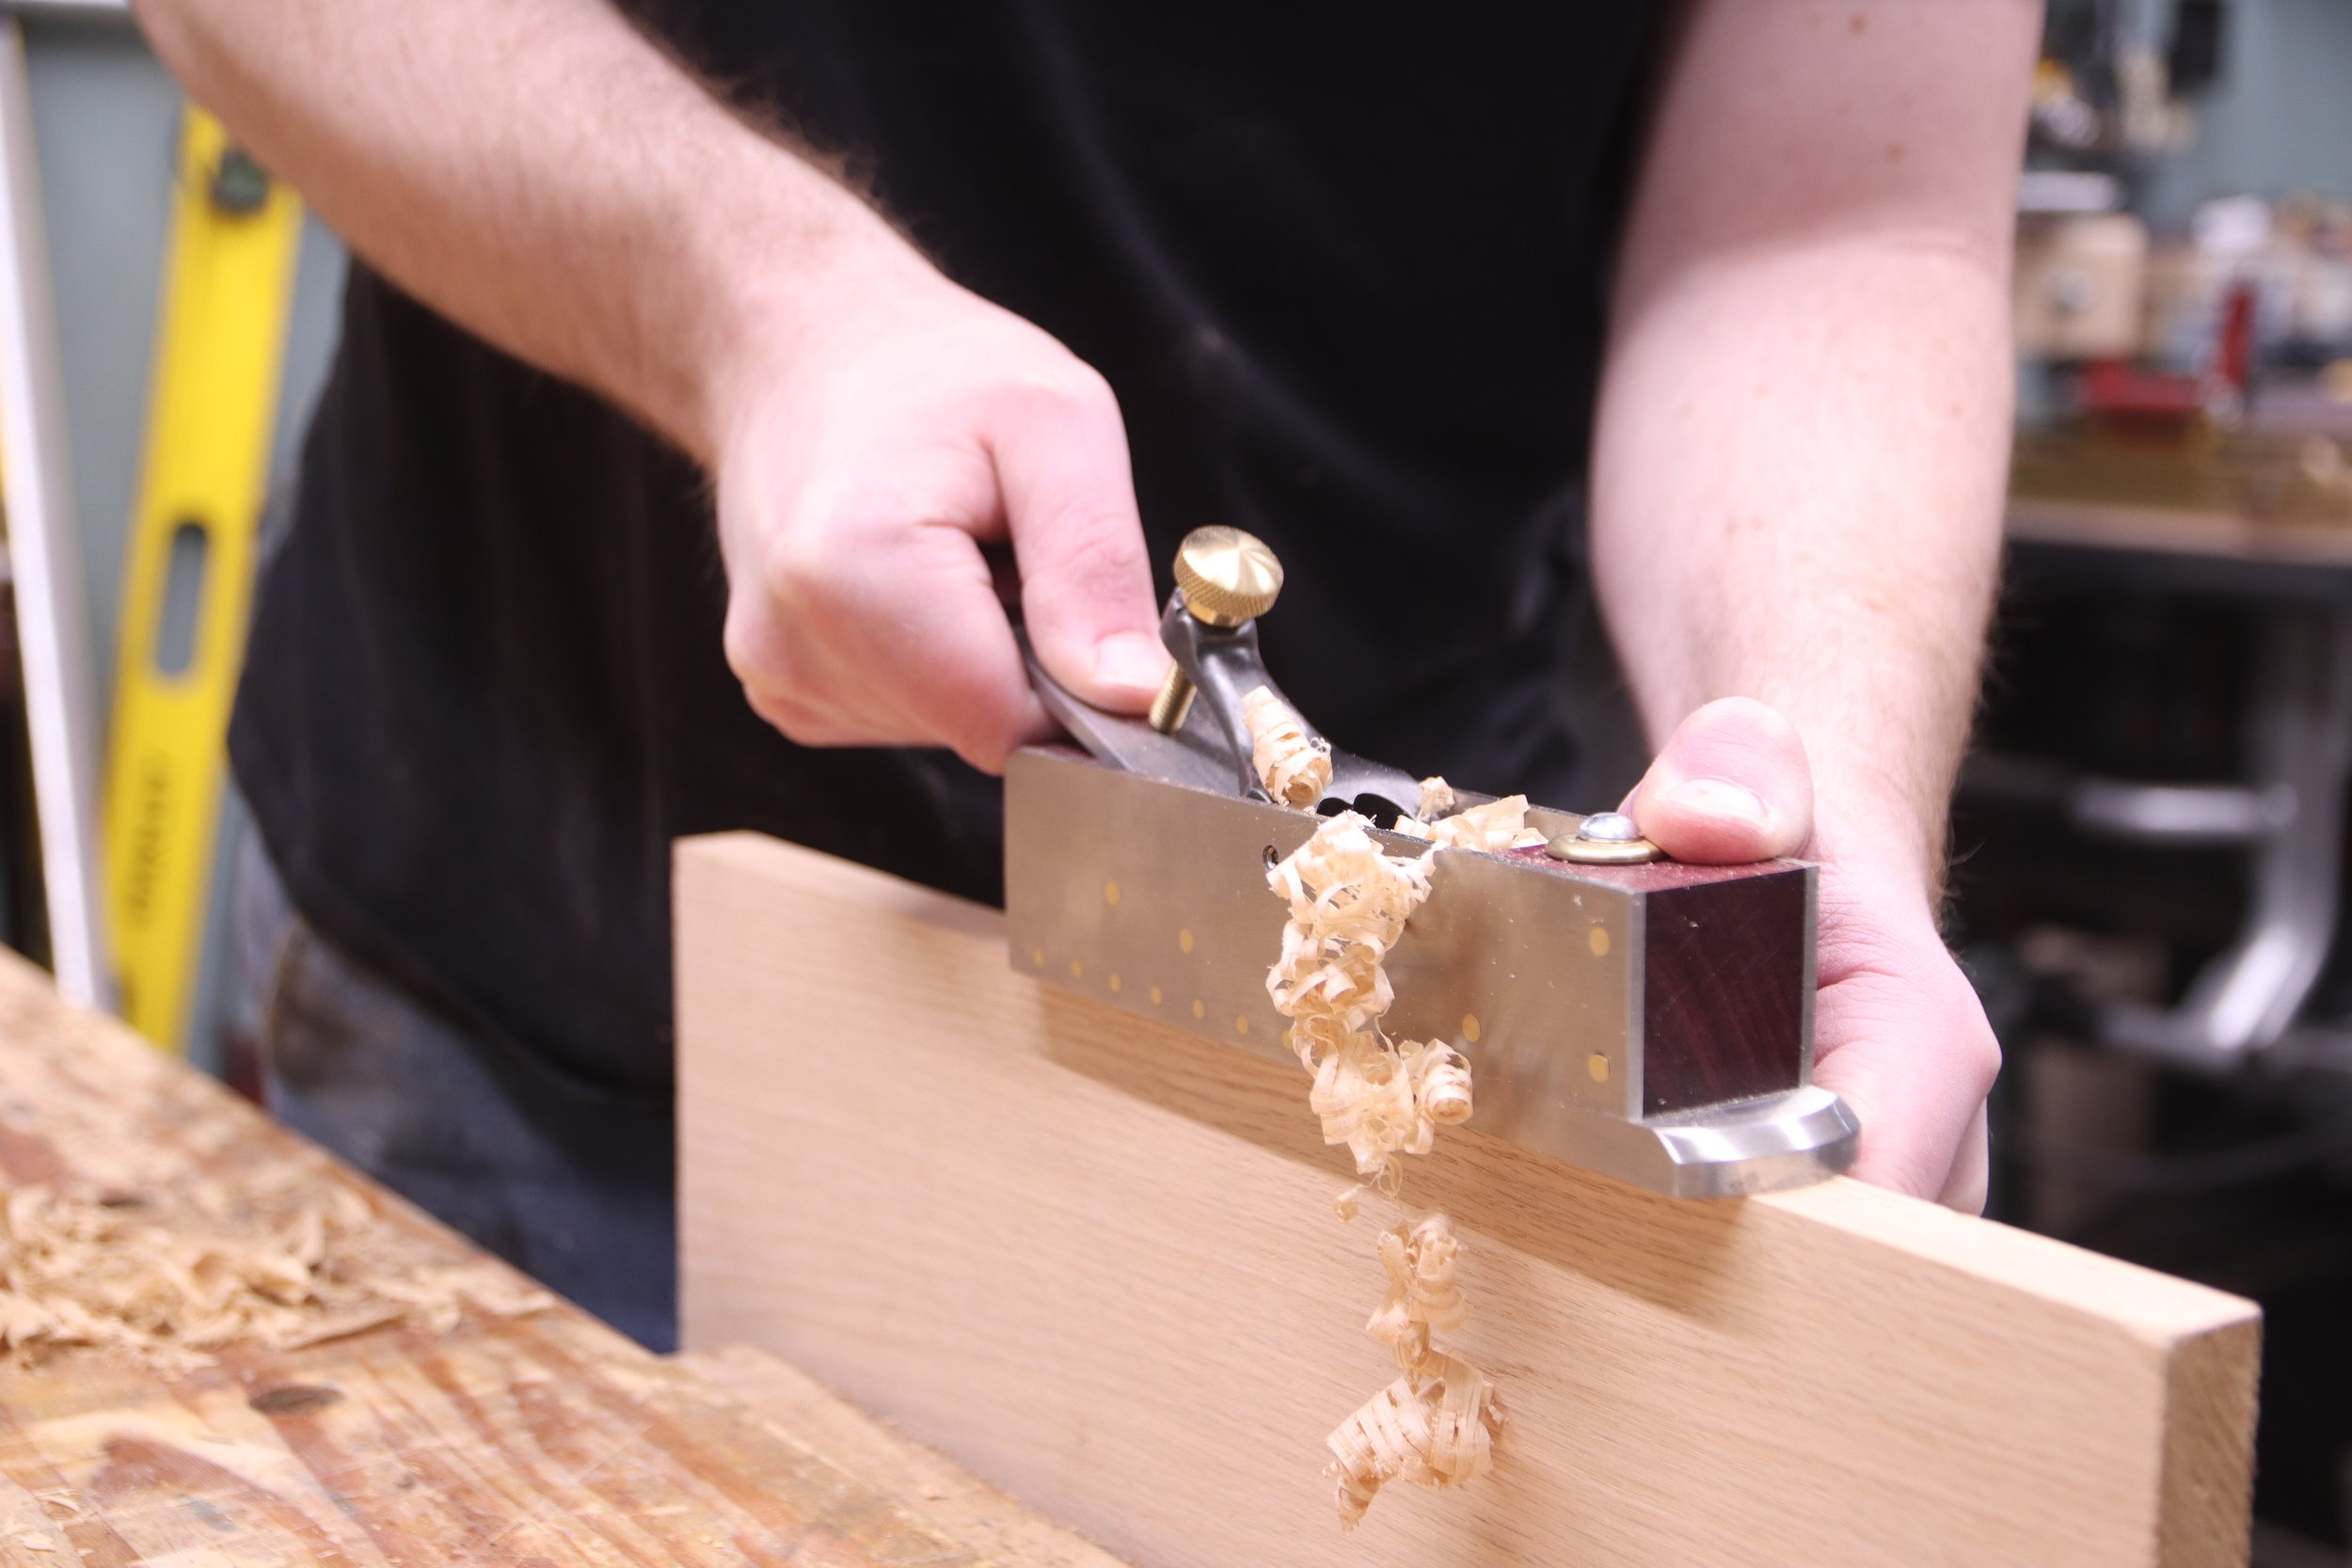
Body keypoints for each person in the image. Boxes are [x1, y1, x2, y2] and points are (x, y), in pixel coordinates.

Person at [141, 0, 2039, 1350]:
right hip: (555, 951)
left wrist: (1812, 799)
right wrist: (746, 304)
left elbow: (1835, 215)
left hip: (1409, 1110)